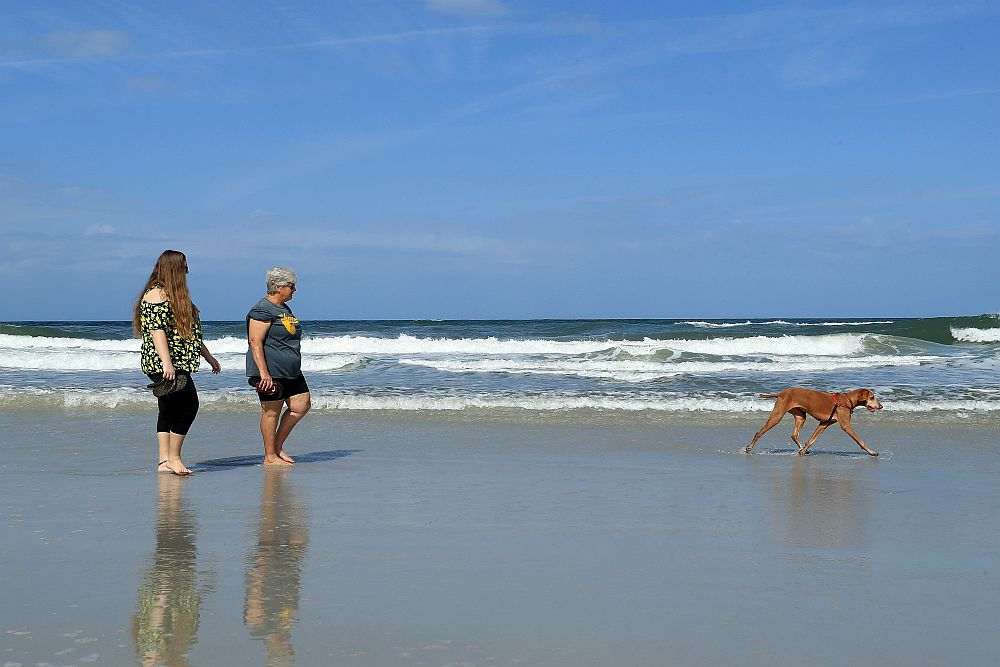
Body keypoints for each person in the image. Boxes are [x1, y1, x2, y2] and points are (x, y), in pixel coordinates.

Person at [133, 250, 221, 475]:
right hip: (166, 363)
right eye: (184, 266)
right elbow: (157, 331)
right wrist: (167, 364)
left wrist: (208, 356)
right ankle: (174, 458)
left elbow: (190, 333)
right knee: (189, 406)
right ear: (174, 268)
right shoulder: (156, 295)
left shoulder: (174, 295)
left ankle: (164, 461)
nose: (187, 270)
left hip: (175, 361)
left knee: (168, 408)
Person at [246, 266, 310, 466]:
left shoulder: (283, 309)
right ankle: (270, 456)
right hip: (271, 371)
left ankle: (277, 446)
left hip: (290, 370)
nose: (294, 290)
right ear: (277, 286)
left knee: (301, 405)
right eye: (291, 286)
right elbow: (255, 342)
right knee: (271, 411)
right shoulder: (262, 309)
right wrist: (264, 374)